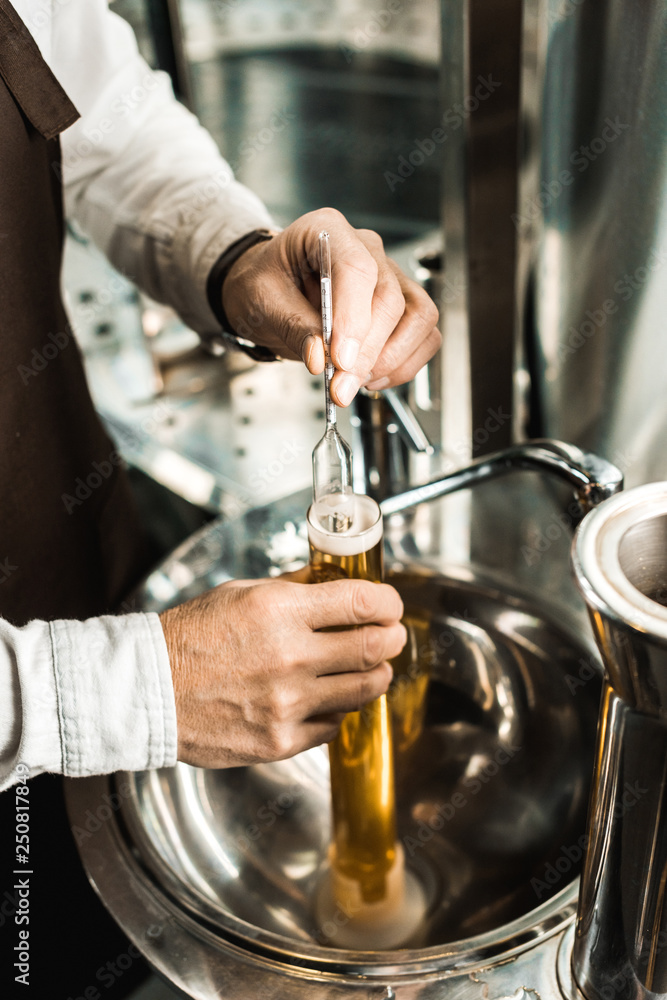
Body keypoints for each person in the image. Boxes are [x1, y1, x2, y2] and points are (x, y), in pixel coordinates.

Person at [0, 0, 440, 995]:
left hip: (64, 561)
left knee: (80, 944)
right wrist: (107, 695)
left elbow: (88, 102)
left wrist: (237, 258)